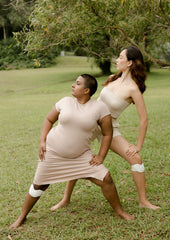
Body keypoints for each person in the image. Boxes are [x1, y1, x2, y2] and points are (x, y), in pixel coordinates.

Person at [10, 74, 134, 229]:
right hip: (53, 152)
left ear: (86, 90)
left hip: (81, 156)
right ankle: (22, 216)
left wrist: (101, 156)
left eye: (77, 83)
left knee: (106, 178)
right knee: (38, 186)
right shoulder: (65, 102)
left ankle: (119, 211)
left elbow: (107, 133)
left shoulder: (100, 108)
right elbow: (48, 120)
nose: (73, 86)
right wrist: (42, 141)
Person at [51, 46, 160, 212]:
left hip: (109, 129)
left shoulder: (133, 89)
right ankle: (65, 198)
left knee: (136, 160)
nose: (117, 59)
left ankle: (143, 201)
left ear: (129, 62)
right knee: (76, 156)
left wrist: (137, 145)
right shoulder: (112, 78)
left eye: (120, 57)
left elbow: (144, 119)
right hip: (88, 124)